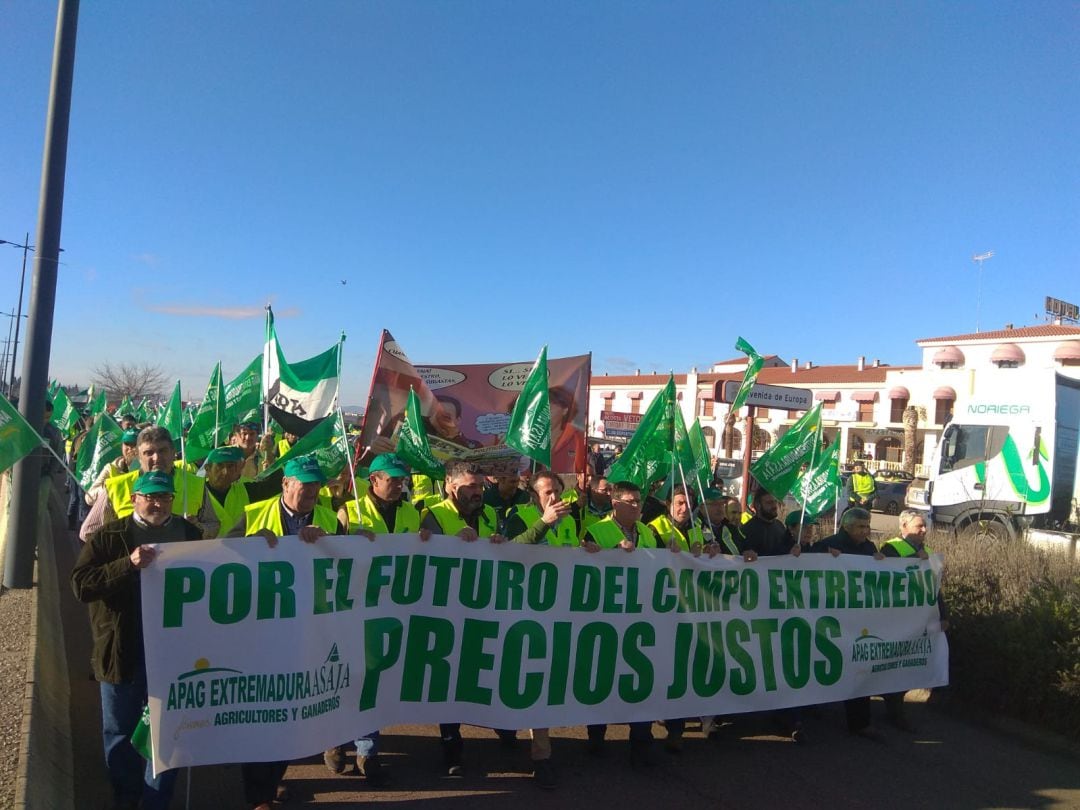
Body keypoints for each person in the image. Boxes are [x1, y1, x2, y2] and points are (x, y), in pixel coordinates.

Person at [71, 471, 203, 810]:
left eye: (165, 496)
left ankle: (155, 800)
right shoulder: (109, 537)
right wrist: (127, 565)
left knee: (169, 729)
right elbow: (81, 585)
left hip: (174, 653)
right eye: (150, 496)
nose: (158, 503)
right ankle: (126, 795)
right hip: (121, 649)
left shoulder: (190, 534)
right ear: (135, 499)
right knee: (120, 730)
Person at [227, 455, 346, 808]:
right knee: (259, 715)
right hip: (258, 634)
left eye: (314, 484)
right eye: (303, 483)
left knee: (289, 717)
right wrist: (251, 545)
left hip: (304, 635)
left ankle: (272, 781)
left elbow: (347, 568)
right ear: (285, 484)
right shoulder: (253, 514)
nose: (309, 490)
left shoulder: (326, 519)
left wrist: (329, 544)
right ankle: (257, 796)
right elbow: (217, 554)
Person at [326, 453, 430, 786]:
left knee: (372, 680)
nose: (400, 484)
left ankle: (367, 752)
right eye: (393, 479)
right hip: (350, 608)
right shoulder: (349, 510)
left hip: (388, 610)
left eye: (402, 480)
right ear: (374, 480)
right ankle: (334, 738)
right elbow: (325, 557)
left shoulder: (412, 513)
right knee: (341, 676)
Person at [419, 461, 507, 776]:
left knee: (486, 668)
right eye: (471, 486)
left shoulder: (490, 515)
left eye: (480, 486)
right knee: (451, 677)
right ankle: (451, 744)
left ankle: (503, 727)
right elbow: (426, 557)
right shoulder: (433, 515)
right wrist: (452, 542)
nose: (477, 492)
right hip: (449, 611)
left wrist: (498, 543)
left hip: (484, 607)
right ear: (450, 486)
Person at [581, 480, 661, 768]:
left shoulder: (649, 533)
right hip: (606, 618)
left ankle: (641, 741)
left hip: (642, 618)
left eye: (639, 501)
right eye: (631, 501)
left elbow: (665, 567)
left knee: (640, 681)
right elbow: (584, 565)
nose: (637, 506)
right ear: (615, 503)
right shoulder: (597, 530)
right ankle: (596, 734)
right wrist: (611, 552)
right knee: (603, 678)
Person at [812, 507, 886, 738]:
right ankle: (812, 707)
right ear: (846, 526)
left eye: (868, 526)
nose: (866, 531)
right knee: (825, 663)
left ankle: (860, 722)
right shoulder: (828, 544)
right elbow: (807, 568)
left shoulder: (869, 548)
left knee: (859, 668)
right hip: (831, 619)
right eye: (861, 527)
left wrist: (881, 563)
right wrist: (824, 557)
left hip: (858, 620)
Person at [880, 509, 950, 731]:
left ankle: (896, 703)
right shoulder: (891, 547)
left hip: (918, 619)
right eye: (919, 526)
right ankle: (894, 709)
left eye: (924, 526)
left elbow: (934, 589)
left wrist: (943, 614)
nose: (924, 530)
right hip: (895, 618)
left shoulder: (928, 551)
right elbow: (888, 575)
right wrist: (913, 560)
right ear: (904, 527)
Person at [80, 426, 208, 543]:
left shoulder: (196, 484)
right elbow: (88, 532)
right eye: (149, 453)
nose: (156, 458)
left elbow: (215, 525)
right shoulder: (117, 486)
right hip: (132, 566)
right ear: (138, 456)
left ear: (173, 452)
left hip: (180, 564)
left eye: (162, 451)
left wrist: (198, 529)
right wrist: (124, 547)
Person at [201, 446, 249, 539]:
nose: (225, 472)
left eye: (230, 466)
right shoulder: (195, 493)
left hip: (239, 551)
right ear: (207, 469)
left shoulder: (246, 490)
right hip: (205, 551)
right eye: (219, 466)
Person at [649, 488, 705, 553]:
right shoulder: (655, 528)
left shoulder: (696, 528)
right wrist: (665, 551)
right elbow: (650, 558)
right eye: (680, 503)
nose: (685, 509)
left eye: (689, 504)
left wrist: (707, 551)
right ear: (668, 504)